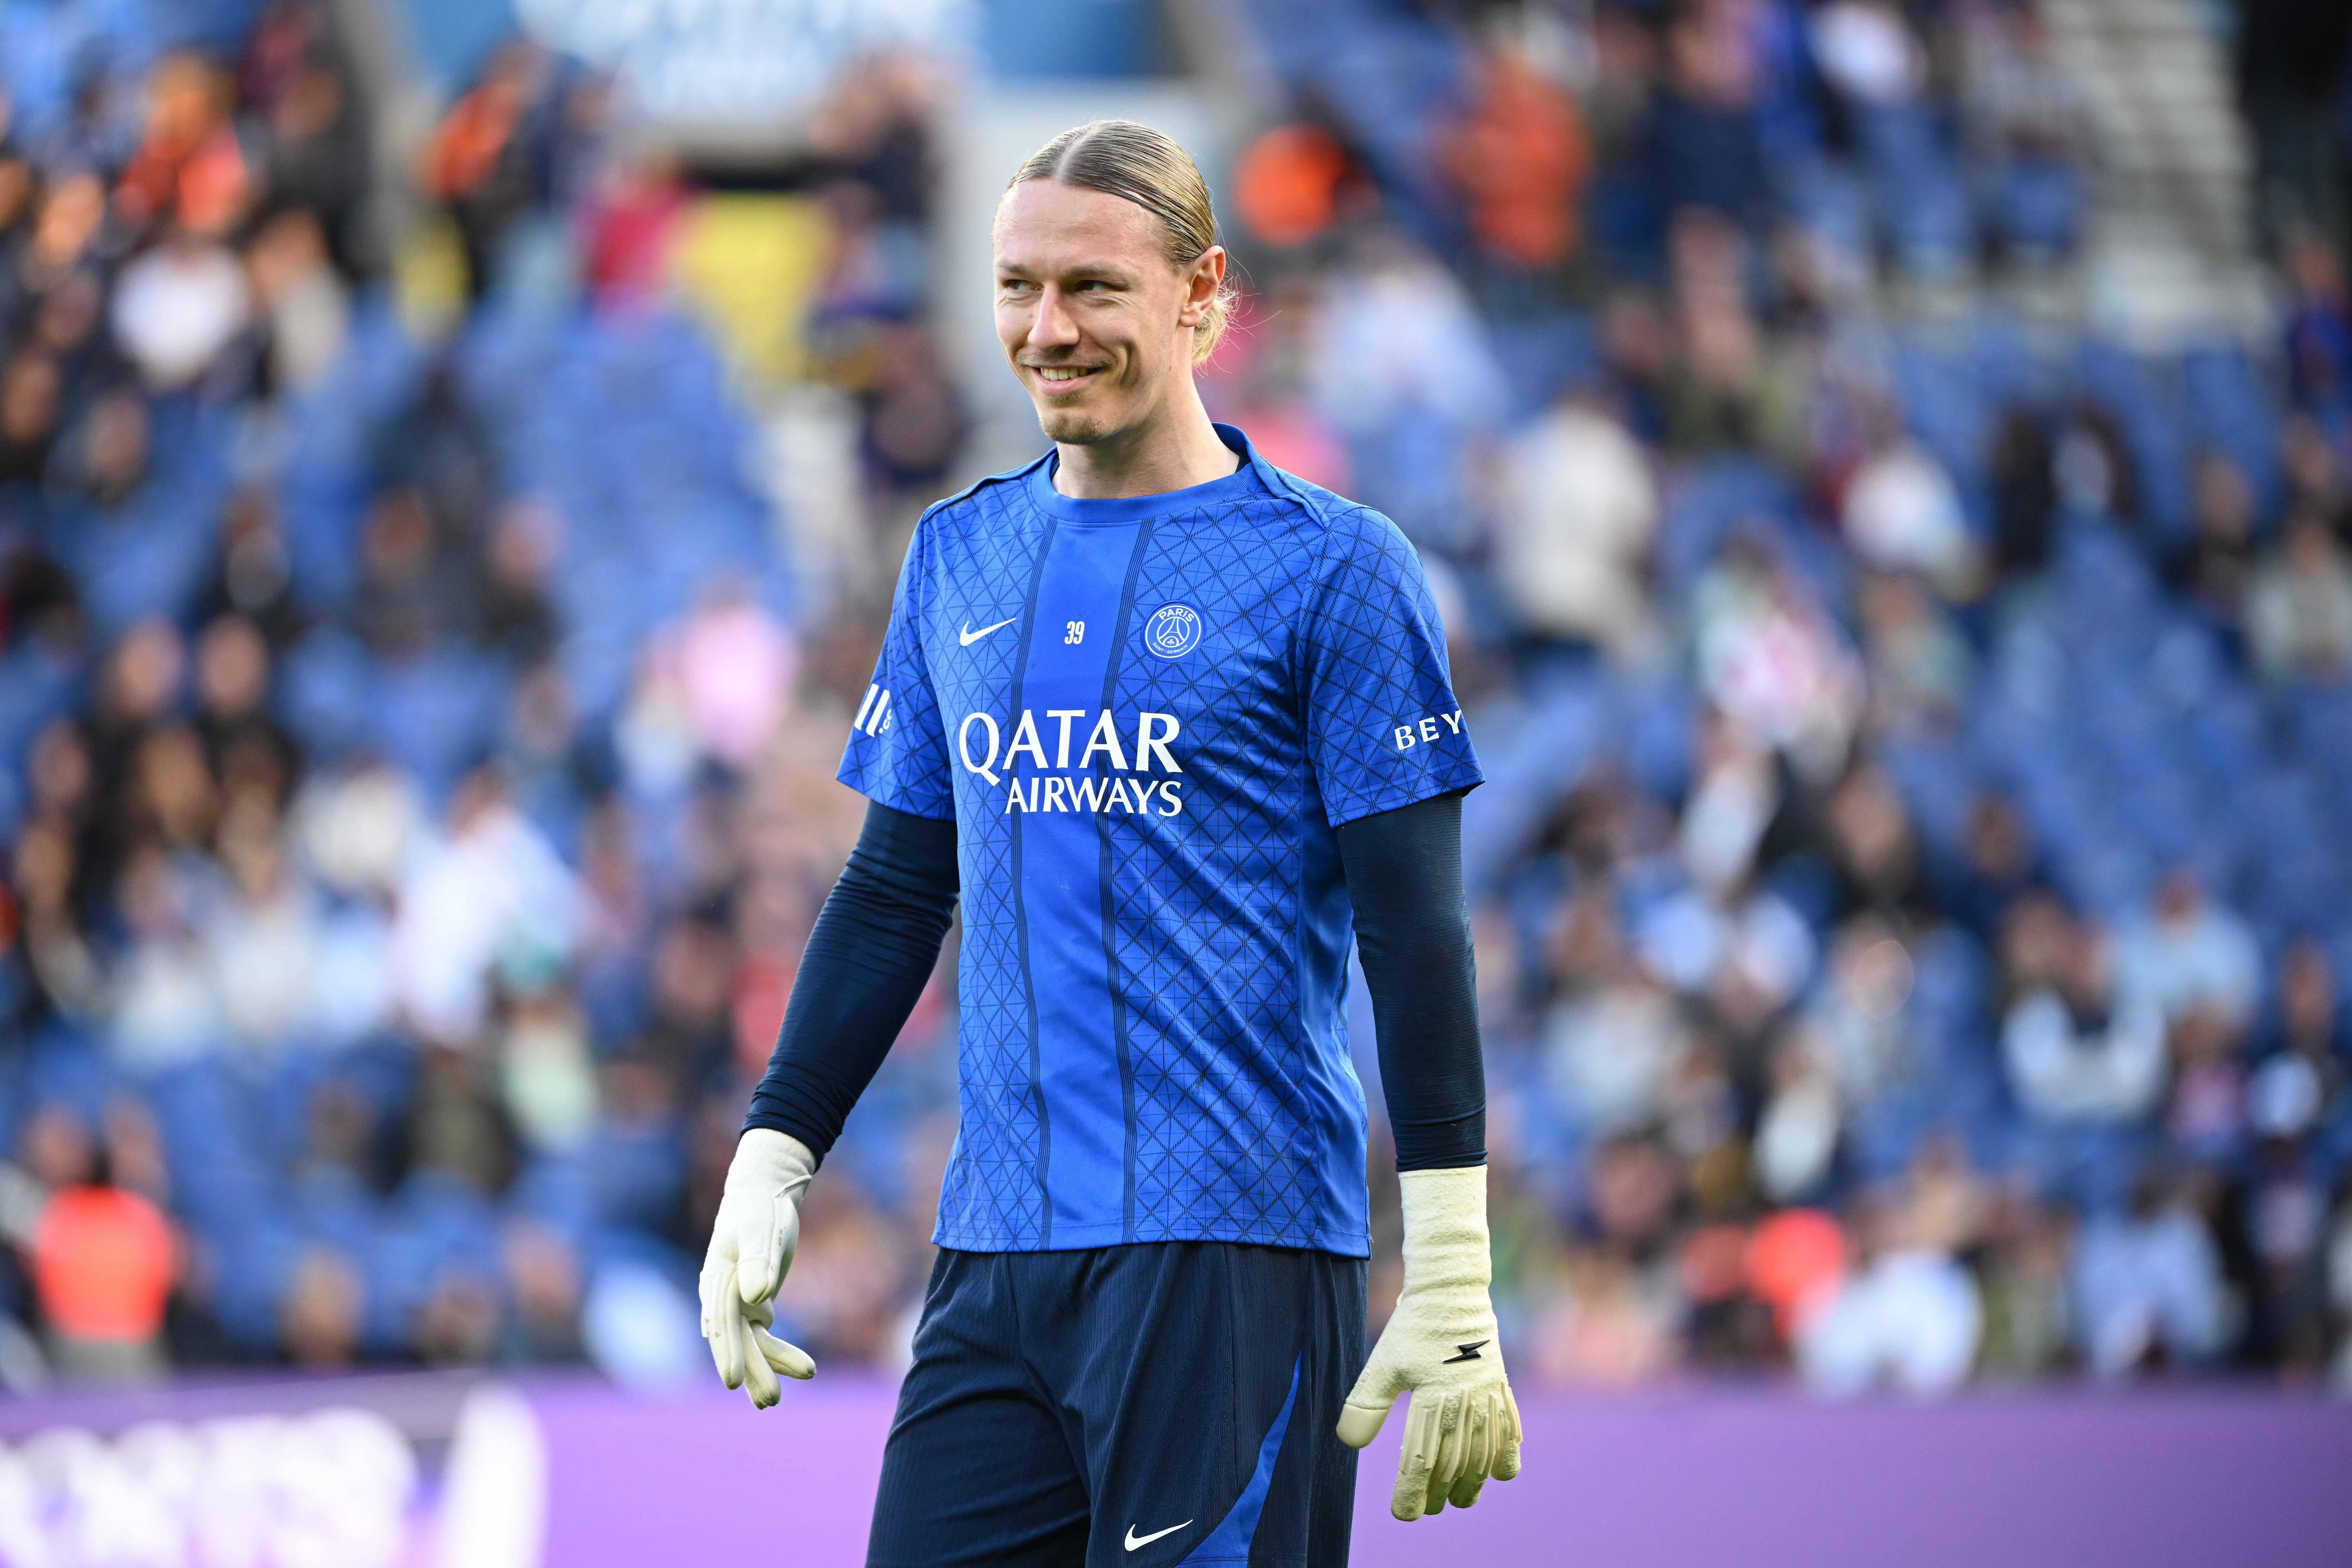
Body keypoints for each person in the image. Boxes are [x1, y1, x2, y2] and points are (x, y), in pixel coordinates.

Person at [699, 120, 1522, 1565]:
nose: (1048, 329)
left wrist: (1451, 1265)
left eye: (1093, 287)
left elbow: (1414, 934)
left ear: (1202, 293)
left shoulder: (1337, 568)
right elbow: (895, 890)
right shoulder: (959, 553)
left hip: (1233, 1259)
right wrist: (774, 1153)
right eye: (1018, 287)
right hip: (994, 1261)